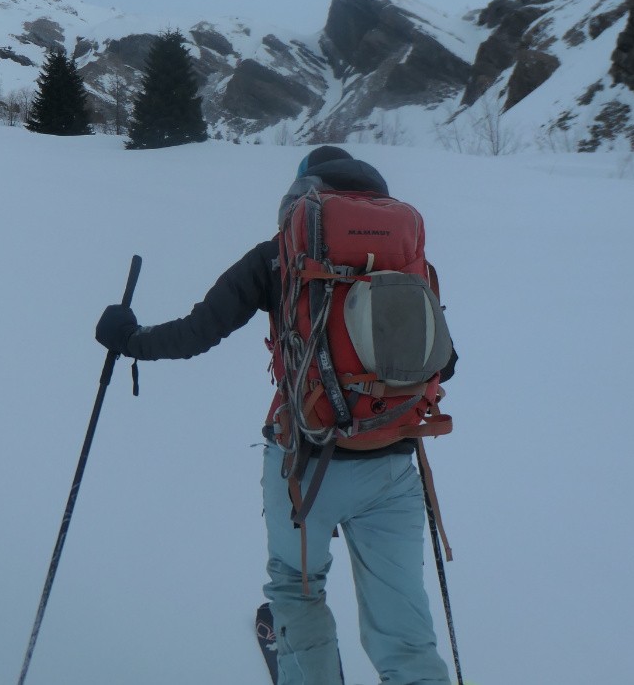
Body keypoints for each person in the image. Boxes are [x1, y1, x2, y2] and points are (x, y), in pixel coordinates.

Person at [95, 146, 454, 685]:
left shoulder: (279, 254)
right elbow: (444, 364)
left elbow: (196, 333)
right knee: (404, 631)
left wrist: (128, 338)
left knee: (297, 590)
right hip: (393, 464)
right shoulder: (408, 262)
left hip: (304, 466)